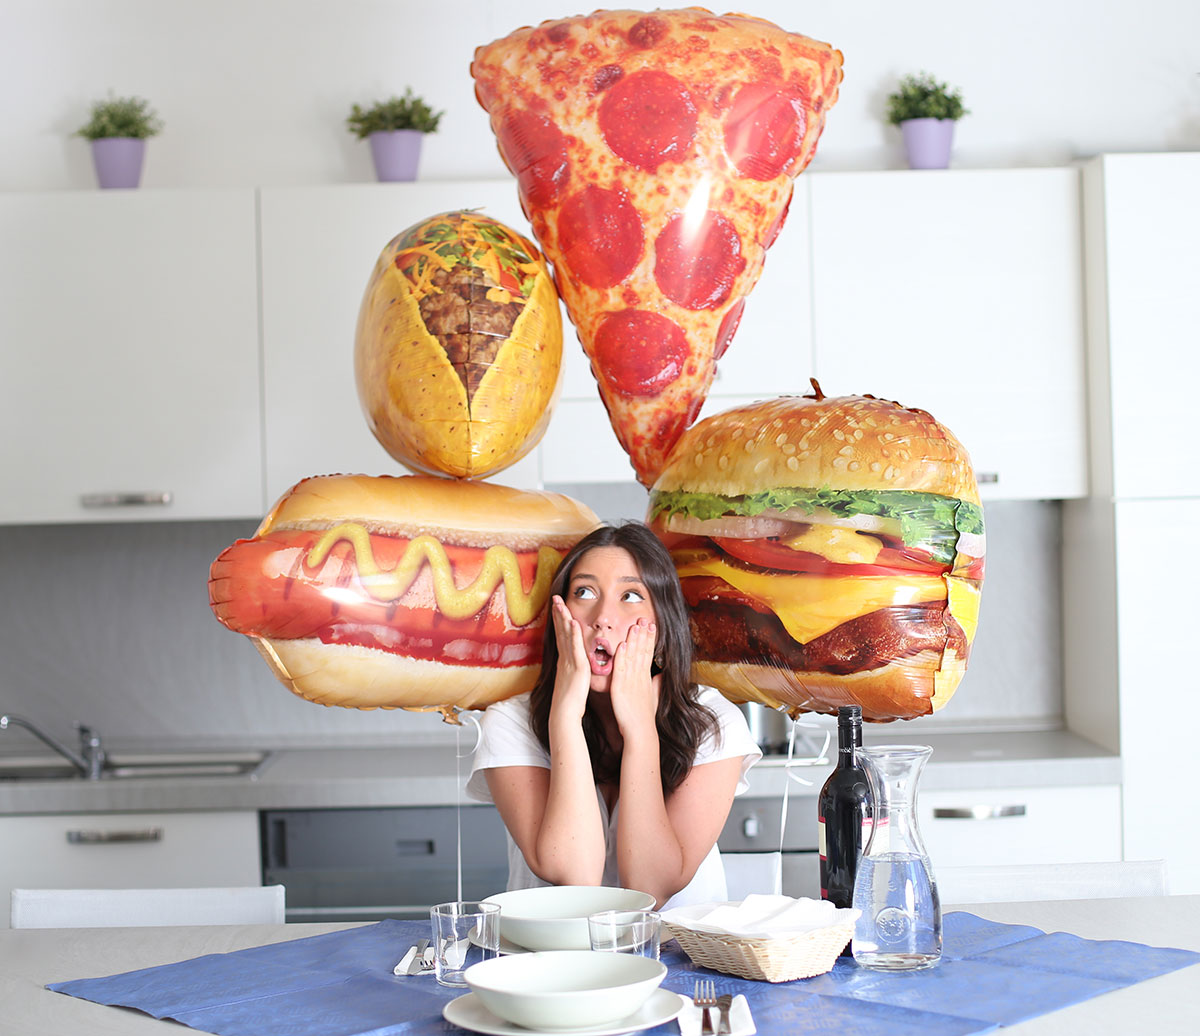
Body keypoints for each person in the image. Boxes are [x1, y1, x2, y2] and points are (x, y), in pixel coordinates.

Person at [466, 522, 762, 909]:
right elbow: (575, 876)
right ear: (560, 616)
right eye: (584, 592)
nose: (602, 617)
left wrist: (640, 730)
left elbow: (651, 888)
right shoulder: (509, 722)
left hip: (679, 948)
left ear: (663, 624)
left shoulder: (713, 722)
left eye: (631, 595)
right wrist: (565, 716)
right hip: (552, 947)